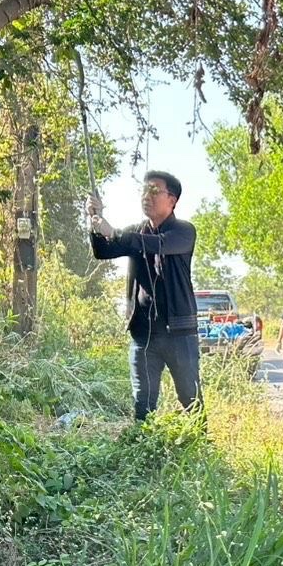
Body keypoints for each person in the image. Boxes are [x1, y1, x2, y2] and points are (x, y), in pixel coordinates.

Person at [88, 171, 199, 422]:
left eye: (154, 191)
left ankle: (200, 443)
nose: (146, 196)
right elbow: (102, 251)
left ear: (172, 200)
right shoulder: (136, 232)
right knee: (143, 405)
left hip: (179, 334)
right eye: (144, 190)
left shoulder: (183, 231)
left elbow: (157, 244)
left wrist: (114, 232)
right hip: (143, 334)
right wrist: (94, 219)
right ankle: (143, 444)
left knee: (191, 400)